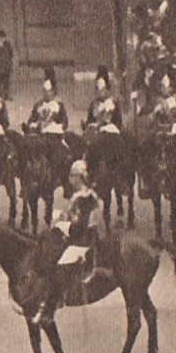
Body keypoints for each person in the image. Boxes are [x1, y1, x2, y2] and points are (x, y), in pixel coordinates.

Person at [31, 160, 102, 326]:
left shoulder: (84, 197)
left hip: (84, 239)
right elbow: (72, 216)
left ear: (78, 177)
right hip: (79, 234)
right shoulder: (81, 194)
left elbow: (81, 225)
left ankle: (53, 303)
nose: (70, 179)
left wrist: (62, 223)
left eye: (72, 176)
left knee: (57, 261)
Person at [27, 67, 69, 133]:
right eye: (44, 91)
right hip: (40, 133)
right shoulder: (38, 104)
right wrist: (34, 125)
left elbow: (65, 122)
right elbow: (31, 120)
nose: (46, 93)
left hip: (54, 134)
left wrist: (56, 123)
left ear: (53, 92)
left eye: (49, 91)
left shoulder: (59, 104)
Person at [84, 66, 121, 131]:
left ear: (107, 89)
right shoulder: (93, 104)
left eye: (102, 89)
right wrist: (89, 125)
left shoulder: (113, 103)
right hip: (96, 132)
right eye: (98, 89)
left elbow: (118, 123)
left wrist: (108, 126)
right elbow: (89, 120)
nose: (100, 92)